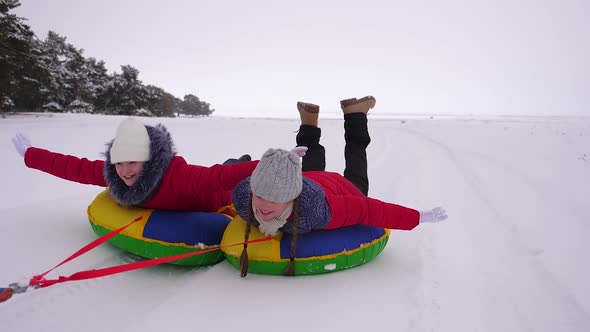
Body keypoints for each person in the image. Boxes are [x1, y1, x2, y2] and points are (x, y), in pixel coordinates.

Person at [232, 96, 448, 276]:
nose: (263, 206)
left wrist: (419, 216)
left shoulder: (315, 210)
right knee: (308, 155)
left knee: (356, 162)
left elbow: (369, 209)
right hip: (309, 178)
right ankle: (309, 122)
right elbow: (236, 178)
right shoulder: (244, 197)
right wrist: (286, 160)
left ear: (290, 197)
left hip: (338, 187)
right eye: (260, 196)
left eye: (273, 200)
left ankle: (356, 114)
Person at [11, 118, 258, 213]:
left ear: (148, 160)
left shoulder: (176, 175)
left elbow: (220, 177)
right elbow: (74, 167)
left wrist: (274, 162)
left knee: (232, 168)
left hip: (216, 196)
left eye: (132, 162)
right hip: (209, 182)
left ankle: (242, 158)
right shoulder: (115, 175)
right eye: (119, 163)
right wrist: (31, 155)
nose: (125, 170)